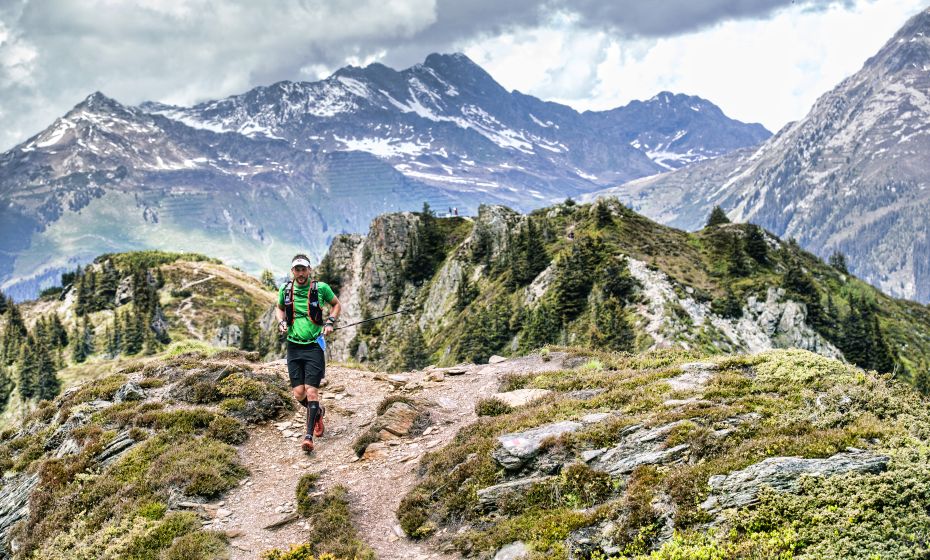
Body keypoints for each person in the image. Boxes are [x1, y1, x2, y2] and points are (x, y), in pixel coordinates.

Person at [276, 254, 341, 453]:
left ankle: (308, 437)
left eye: (304, 269)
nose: (301, 273)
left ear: (309, 270)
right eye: (297, 270)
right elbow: (279, 308)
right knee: (298, 393)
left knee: (312, 391)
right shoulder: (285, 289)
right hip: (294, 347)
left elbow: (336, 304)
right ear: (292, 271)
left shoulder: (321, 288)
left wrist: (330, 322)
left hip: (314, 346)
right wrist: (281, 321)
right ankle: (318, 412)